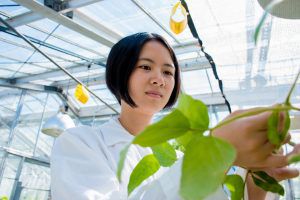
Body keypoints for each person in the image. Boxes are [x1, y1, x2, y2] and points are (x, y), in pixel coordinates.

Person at [50, 32, 299, 200]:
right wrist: (211, 155)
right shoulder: (80, 143)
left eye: (168, 72)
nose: (159, 78)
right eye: (145, 67)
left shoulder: (176, 156)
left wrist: (256, 183)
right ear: (119, 71)